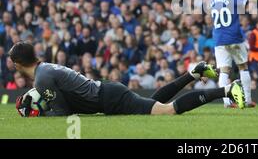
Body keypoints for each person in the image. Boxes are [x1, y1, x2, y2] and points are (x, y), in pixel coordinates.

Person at [12, 41, 245, 117]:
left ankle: (226, 90)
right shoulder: (44, 70)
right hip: (107, 93)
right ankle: (193, 73)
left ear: (17, 64)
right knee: (153, 103)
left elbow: (63, 113)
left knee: (166, 111)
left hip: (109, 98)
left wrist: (40, 111)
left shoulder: (41, 79)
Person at [209, 0, 255, 108]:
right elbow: (251, 0)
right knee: (243, 67)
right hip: (234, 38)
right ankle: (247, 100)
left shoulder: (212, 2)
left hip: (219, 40)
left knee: (224, 71)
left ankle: (226, 102)